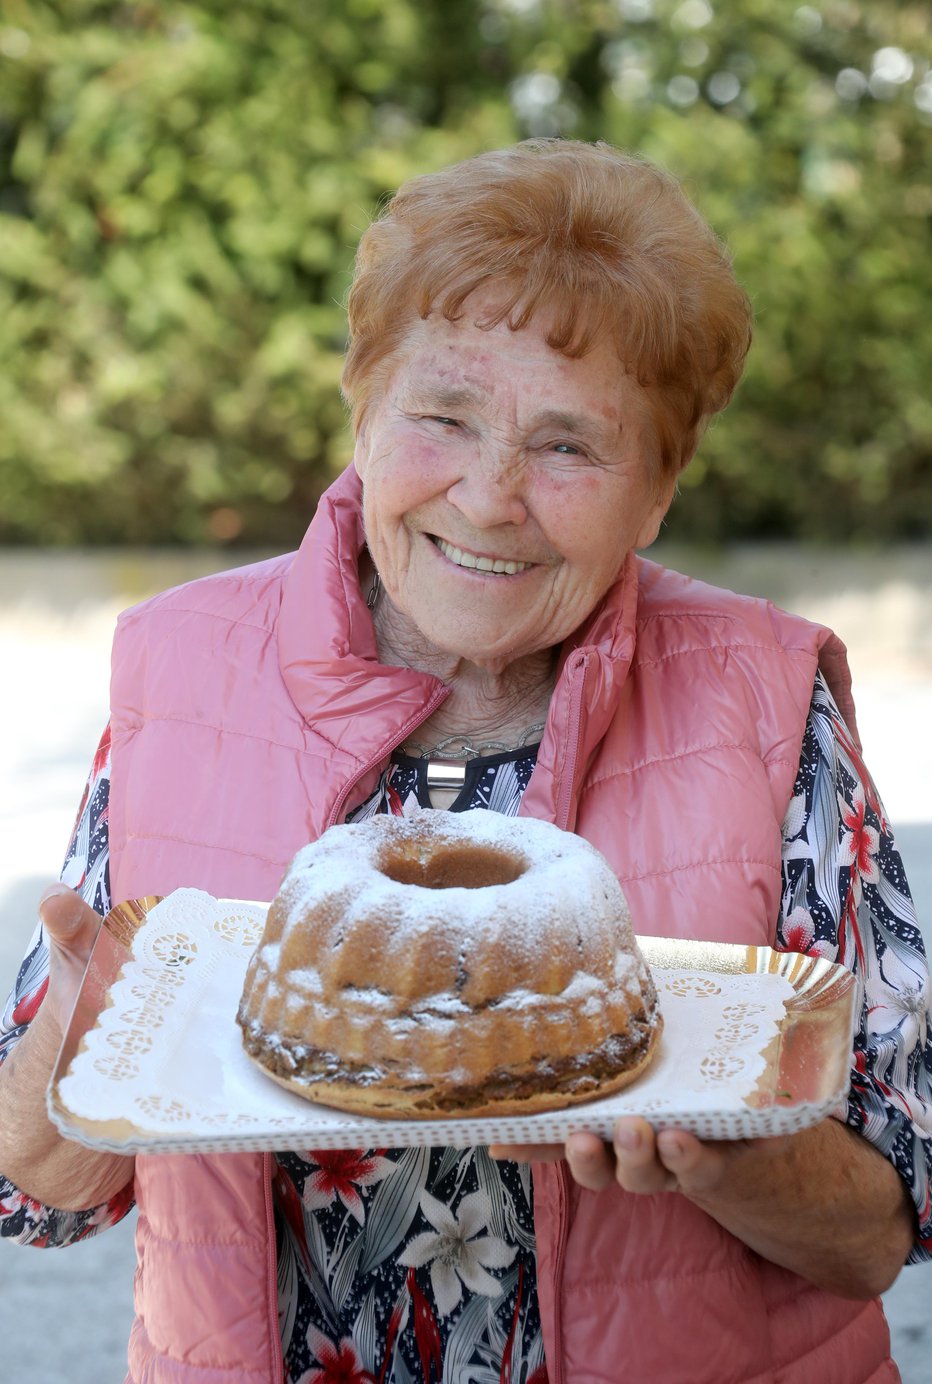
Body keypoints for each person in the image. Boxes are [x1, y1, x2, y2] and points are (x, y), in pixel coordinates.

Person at [0, 139, 929, 1384]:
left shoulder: (762, 701)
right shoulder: (181, 673)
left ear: (656, 490)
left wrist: (721, 1148)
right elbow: (44, 1196)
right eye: (442, 415)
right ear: (362, 411)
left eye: (567, 447)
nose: (489, 496)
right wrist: (78, 1028)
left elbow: (882, 1227)